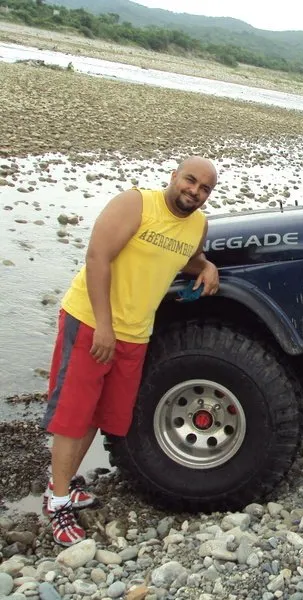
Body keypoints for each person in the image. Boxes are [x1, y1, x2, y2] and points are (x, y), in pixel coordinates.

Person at [39, 156, 220, 546]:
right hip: (92, 321)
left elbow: (185, 259)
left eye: (205, 188)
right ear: (174, 176)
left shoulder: (198, 225)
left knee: (96, 413)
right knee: (72, 415)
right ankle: (58, 503)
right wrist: (104, 326)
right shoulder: (136, 203)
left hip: (135, 333)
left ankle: (61, 483)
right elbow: (97, 257)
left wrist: (206, 266)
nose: (195, 191)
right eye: (190, 180)